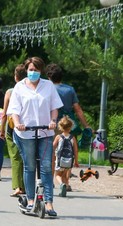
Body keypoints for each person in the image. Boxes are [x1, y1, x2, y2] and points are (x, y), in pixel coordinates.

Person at [7, 56, 63, 217]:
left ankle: (49, 203)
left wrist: (53, 121)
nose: (33, 73)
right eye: (31, 70)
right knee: (30, 166)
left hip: (46, 132)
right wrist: (17, 123)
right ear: (26, 70)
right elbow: (14, 110)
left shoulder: (48, 86)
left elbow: (54, 107)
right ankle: (31, 200)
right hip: (25, 133)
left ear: (41, 71)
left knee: (46, 167)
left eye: (36, 70)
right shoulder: (19, 87)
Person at [46, 63, 92, 191]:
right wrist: (86, 126)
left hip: (53, 123)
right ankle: (66, 182)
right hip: (69, 124)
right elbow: (78, 109)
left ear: (49, 76)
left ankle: (51, 180)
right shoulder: (69, 89)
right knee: (68, 152)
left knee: (53, 152)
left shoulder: (47, 89)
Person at [0, 64, 26, 196]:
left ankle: (17, 186)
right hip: (28, 126)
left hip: (12, 126)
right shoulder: (31, 89)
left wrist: (2, 130)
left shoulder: (10, 92)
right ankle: (27, 185)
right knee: (27, 157)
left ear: (15, 77)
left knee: (15, 156)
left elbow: (4, 113)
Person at [53, 115, 79, 197]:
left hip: (60, 160)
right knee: (64, 175)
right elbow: (75, 150)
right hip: (69, 161)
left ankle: (61, 185)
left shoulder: (58, 137)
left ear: (60, 127)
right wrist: (76, 161)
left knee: (57, 175)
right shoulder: (73, 138)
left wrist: (52, 156)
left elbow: (53, 147)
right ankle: (65, 186)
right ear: (71, 127)